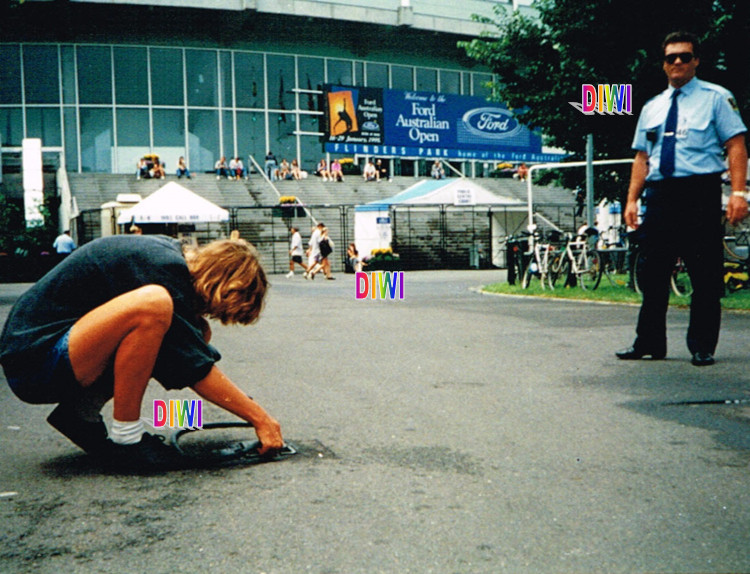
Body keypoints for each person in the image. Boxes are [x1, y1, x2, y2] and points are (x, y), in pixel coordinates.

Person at [0, 235, 283, 469]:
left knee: (197, 332)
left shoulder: (167, 256)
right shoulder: (162, 268)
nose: (210, 311)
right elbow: (194, 366)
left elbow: (190, 354)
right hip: (34, 362)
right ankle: (127, 441)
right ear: (220, 282)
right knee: (155, 305)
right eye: (217, 306)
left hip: (47, 353)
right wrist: (260, 418)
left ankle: (80, 414)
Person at [616, 31, 748, 367]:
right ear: (663, 64)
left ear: (696, 61)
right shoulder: (652, 106)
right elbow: (642, 158)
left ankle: (702, 346)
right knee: (653, 272)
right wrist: (632, 200)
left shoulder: (716, 98)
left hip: (698, 193)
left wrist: (738, 192)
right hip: (660, 195)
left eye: (684, 56)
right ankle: (648, 342)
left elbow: (735, 145)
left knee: (704, 272)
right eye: (671, 57)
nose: (677, 62)